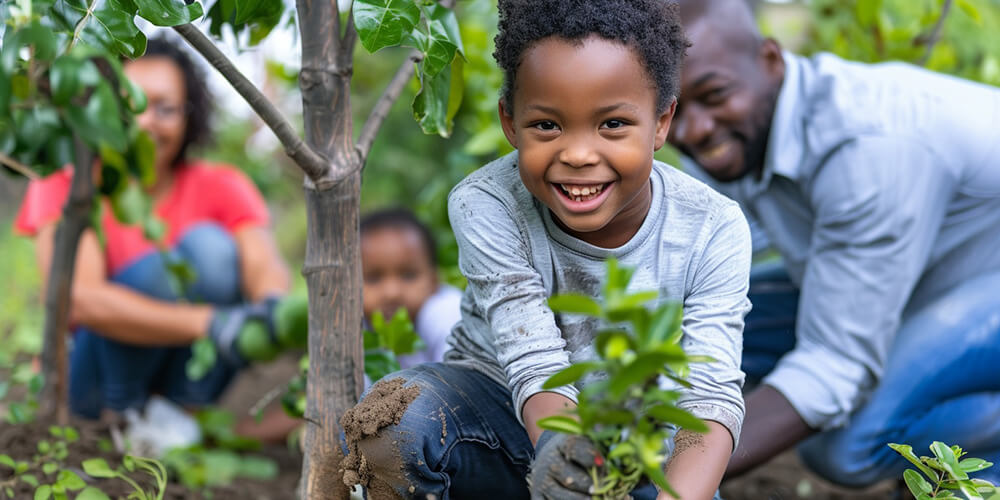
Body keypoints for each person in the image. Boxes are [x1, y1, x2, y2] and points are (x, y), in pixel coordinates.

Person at [340, 1, 751, 498]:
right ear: (510, 122)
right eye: (547, 126)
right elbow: (534, 362)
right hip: (493, 422)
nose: (578, 155)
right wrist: (569, 471)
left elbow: (709, 399)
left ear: (662, 122)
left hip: (637, 450)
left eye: (614, 124)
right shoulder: (487, 202)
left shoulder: (712, 226)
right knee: (395, 421)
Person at [671, 0, 1000, 486]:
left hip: (981, 288)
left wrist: (671, 473)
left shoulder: (869, 151)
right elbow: (698, 262)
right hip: (924, 281)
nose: (694, 130)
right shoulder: (743, 130)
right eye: (671, 109)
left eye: (714, 95)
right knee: (688, 325)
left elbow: (836, 364)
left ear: (770, 60)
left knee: (846, 446)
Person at [14, 37, 296, 420]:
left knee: (211, 250)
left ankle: (176, 416)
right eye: (130, 106)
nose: (146, 122)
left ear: (188, 116)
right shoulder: (64, 185)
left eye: (165, 109)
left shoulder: (222, 184)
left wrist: (272, 308)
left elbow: (263, 264)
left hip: (183, 377)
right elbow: (82, 299)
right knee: (166, 274)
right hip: (93, 379)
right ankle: (121, 416)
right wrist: (213, 324)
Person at [360, 208, 462, 368]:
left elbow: (459, 380)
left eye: (408, 275)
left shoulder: (446, 313)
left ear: (434, 280)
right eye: (373, 278)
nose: (392, 293)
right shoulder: (353, 332)